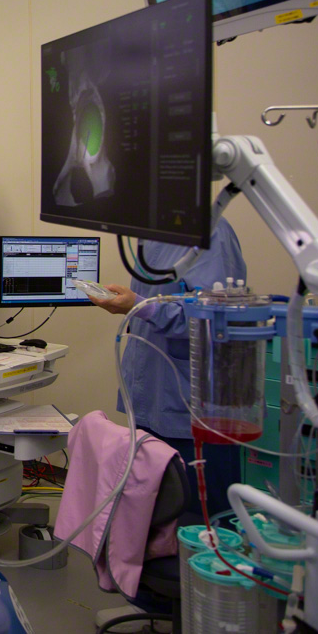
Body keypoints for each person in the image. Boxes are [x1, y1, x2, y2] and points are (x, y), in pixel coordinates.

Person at [89, 219, 247, 516]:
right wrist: (136, 305)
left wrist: (139, 305)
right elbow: (161, 305)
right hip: (151, 403)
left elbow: (215, 319)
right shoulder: (153, 236)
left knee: (204, 527)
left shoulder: (210, 233)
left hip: (193, 412)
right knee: (157, 520)